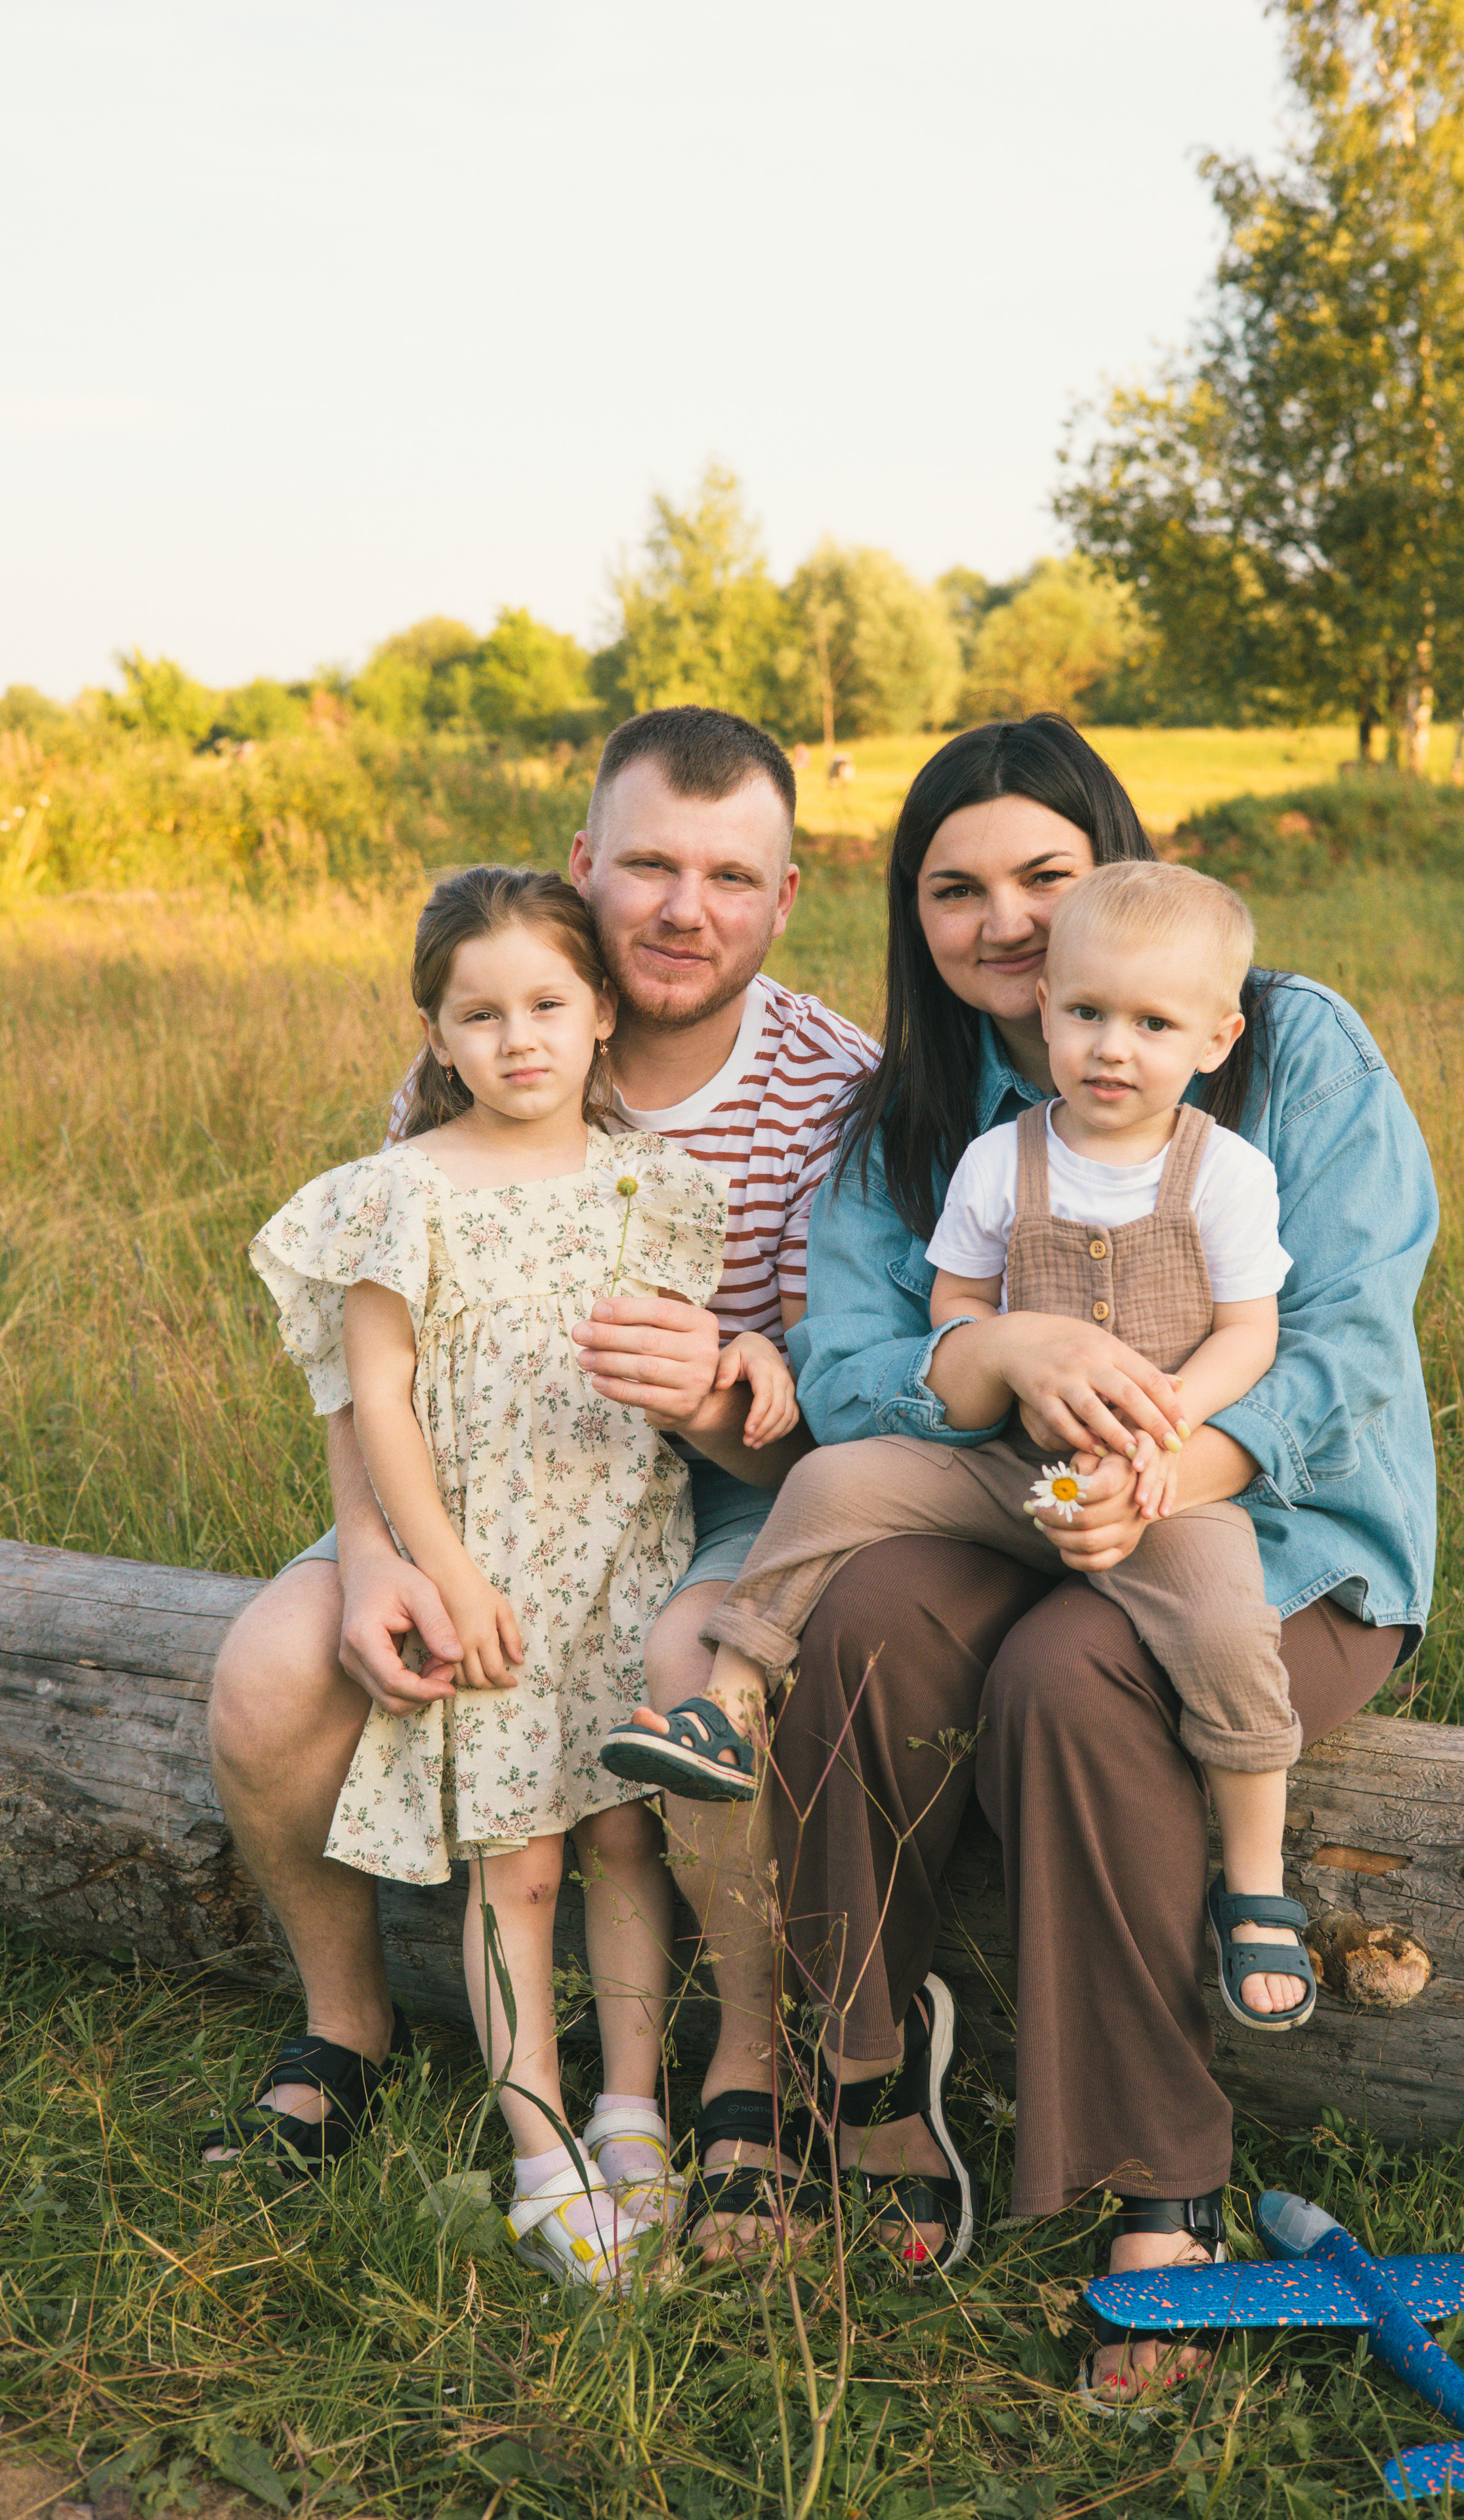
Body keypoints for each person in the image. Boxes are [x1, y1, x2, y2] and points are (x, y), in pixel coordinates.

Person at [732, 717, 1436, 2389]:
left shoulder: (1286, 1050)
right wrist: (991, 1358)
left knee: (1071, 1671)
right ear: (912, 917)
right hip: (1002, 1507)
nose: (1005, 923)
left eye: (1044, 876)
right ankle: (864, 2074)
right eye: (953, 889)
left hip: (1268, 1534)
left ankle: (1161, 2188)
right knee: (874, 1612)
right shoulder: (921, 1112)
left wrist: (1164, 1468)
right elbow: (844, 1371)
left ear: (1110, 867)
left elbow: (1342, 1332)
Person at [204, 709, 875, 2253]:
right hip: (466, 1481)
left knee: (650, 1728)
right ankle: (350, 2023)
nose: (681, 908)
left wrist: (734, 1386)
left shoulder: (839, 1089)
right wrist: (376, 1552)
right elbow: (369, 1369)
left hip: (720, 1487)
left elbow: (839, 1398)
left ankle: (722, 2085)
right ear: (585, 867)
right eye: (646, 863)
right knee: (264, 1679)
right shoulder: (475, 1056)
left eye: (726, 874)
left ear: (783, 897)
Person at [603, 859, 1316, 2035]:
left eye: (1153, 1024)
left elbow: (1252, 1334)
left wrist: (1171, 1435)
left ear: (1217, 1037)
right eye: (1086, 1013)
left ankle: (1254, 1878)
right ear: (1046, 1009)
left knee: (1230, 1621)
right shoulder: (1004, 1159)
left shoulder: (1224, 1174)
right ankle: (727, 1698)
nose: (1112, 1048)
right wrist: (1002, 1367)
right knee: (833, 1481)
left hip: (1158, 1482)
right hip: (1004, 1465)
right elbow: (953, 1307)